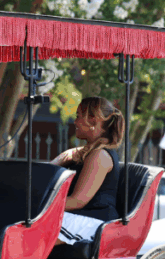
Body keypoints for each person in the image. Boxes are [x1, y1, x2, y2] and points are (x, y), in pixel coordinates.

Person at [50, 97, 125, 245]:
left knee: (32, 232)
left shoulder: (99, 155)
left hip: (94, 221)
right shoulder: (90, 151)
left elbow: (78, 201)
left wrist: (43, 203)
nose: (75, 122)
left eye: (78, 117)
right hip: (80, 216)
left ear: (92, 121)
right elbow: (62, 159)